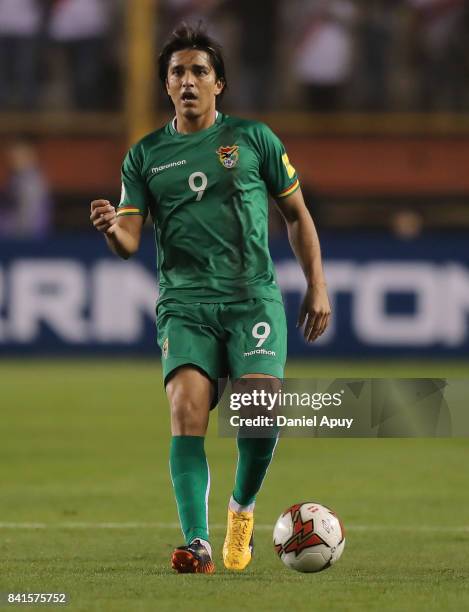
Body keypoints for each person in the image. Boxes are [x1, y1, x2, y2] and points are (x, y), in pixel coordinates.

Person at [90, 24, 330, 574]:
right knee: (186, 410)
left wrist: (316, 283)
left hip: (252, 300)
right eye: (178, 72)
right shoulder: (145, 156)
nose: (188, 80)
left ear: (219, 83)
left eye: (199, 71)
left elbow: (296, 215)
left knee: (260, 414)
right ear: (166, 87)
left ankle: (240, 513)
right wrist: (110, 226)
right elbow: (128, 241)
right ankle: (197, 543)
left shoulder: (254, 139)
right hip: (186, 303)